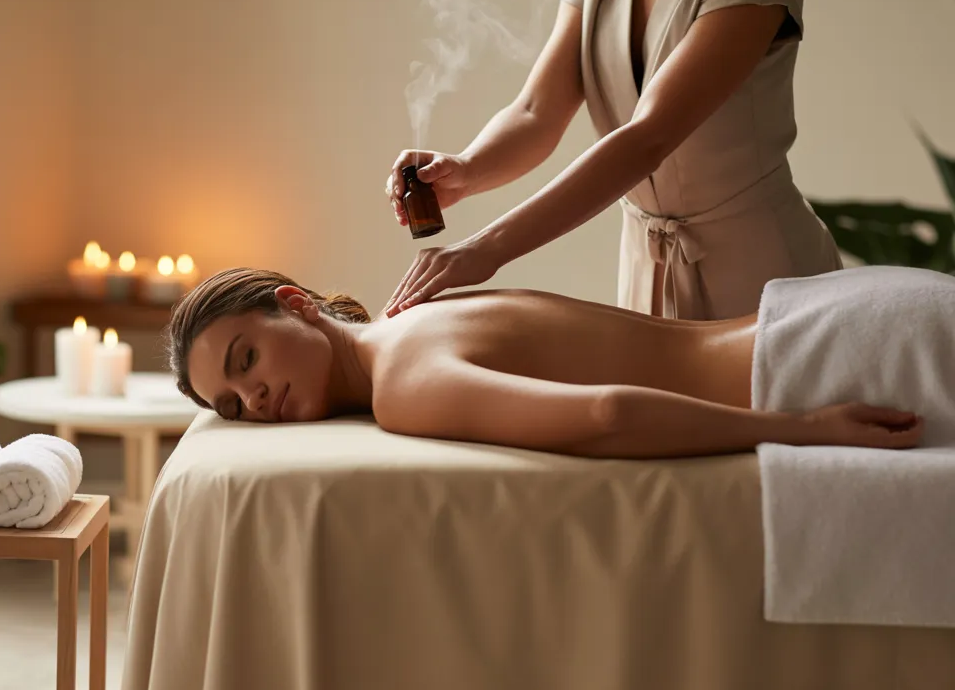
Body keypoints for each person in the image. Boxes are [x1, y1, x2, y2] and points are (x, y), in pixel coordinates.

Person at [382, 0, 841, 321]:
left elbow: (649, 137)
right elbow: (535, 110)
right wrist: (466, 168)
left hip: (762, 270)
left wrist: (486, 250)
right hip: (644, 270)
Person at [166, 266, 939, 460]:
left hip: (812, 359)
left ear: (297, 304)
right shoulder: (415, 320)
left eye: (245, 358)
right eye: (231, 403)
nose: (254, 395)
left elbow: (606, 415)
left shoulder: (404, 386)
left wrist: (799, 428)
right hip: (822, 314)